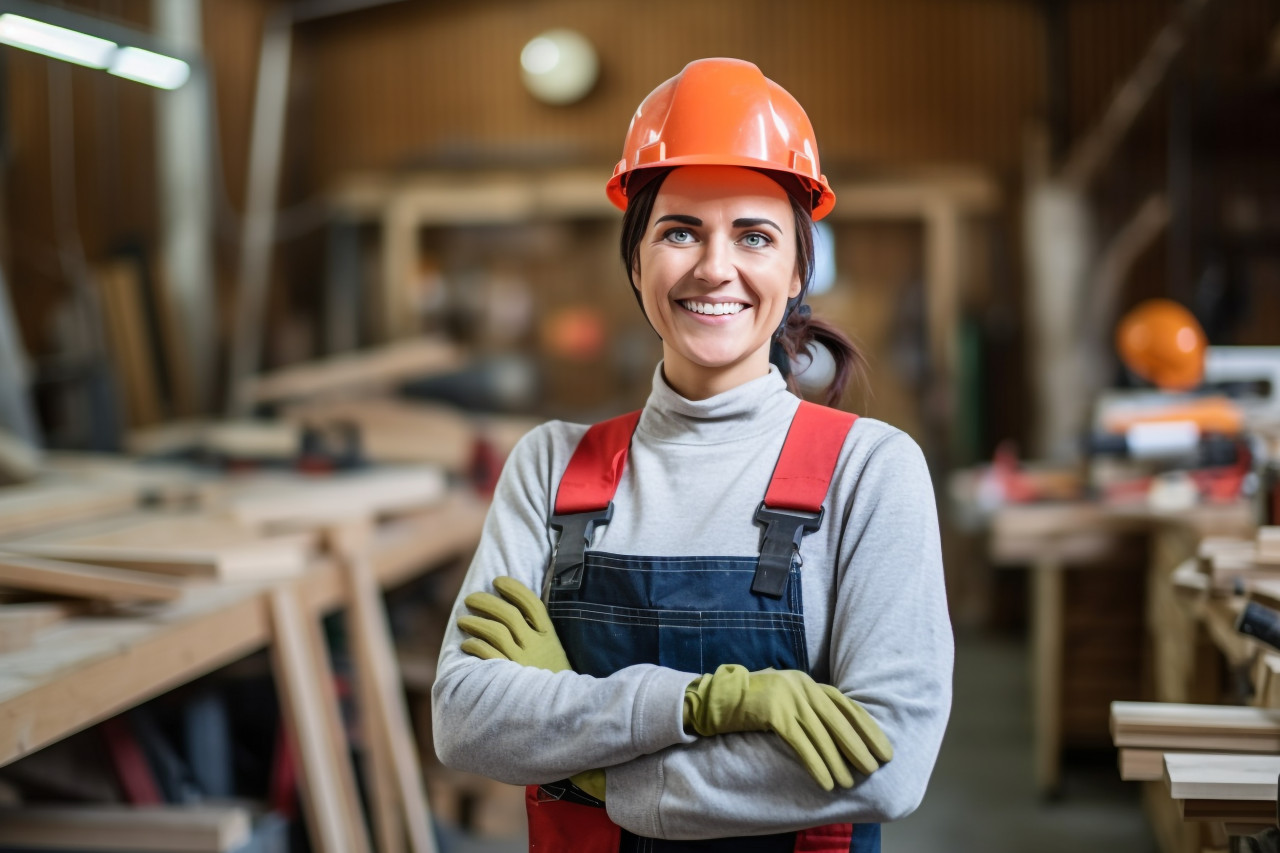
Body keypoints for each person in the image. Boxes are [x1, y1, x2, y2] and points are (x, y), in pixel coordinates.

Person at [431, 57, 953, 852]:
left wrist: (594, 766)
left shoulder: (869, 472)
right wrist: (704, 703)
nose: (716, 267)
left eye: (754, 235)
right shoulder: (549, 468)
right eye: (680, 230)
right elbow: (466, 721)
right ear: (636, 260)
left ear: (796, 268)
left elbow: (884, 765)